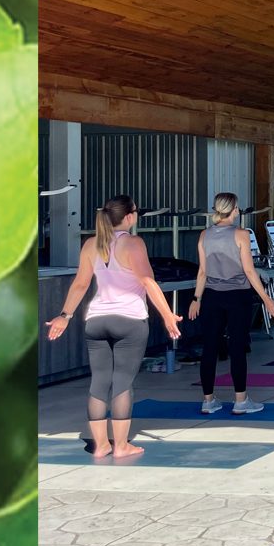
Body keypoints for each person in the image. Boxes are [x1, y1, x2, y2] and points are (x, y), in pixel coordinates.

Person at [46, 195, 183, 458]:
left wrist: (65, 314)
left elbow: (80, 284)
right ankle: (120, 445)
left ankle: (100, 446)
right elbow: (148, 282)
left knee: (98, 383)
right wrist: (167, 315)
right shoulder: (133, 243)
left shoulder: (91, 244)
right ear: (130, 216)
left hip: (96, 321)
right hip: (129, 321)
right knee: (122, 383)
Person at [188, 193, 274, 415]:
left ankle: (208, 401)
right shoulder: (241, 235)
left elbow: (202, 271)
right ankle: (240, 400)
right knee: (237, 347)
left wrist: (196, 299)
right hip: (238, 296)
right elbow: (248, 270)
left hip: (211, 296)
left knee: (210, 347)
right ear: (234, 209)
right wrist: (266, 299)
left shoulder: (204, 235)